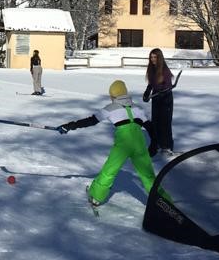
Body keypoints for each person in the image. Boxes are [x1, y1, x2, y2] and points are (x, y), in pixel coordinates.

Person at [57, 79, 156, 208]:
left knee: (109, 171)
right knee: (148, 175)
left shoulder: (110, 108)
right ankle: (164, 203)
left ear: (113, 95)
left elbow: (91, 121)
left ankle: (96, 197)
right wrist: (155, 144)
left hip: (123, 146)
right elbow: (151, 128)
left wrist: (70, 126)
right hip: (139, 145)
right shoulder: (137, 108)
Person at [142, 48, 174, 156]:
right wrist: (147, 93)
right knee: (155, 123)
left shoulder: (165, 70)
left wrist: (163, 92)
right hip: (156, 98)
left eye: (155, 57)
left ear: (159, 58)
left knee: (164, 123)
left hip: (166, 99)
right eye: (151, 57)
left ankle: (167, 146)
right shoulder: (152, 69)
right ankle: (157, 144)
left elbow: (168, 85)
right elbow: (151, 84)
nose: (152, 59)